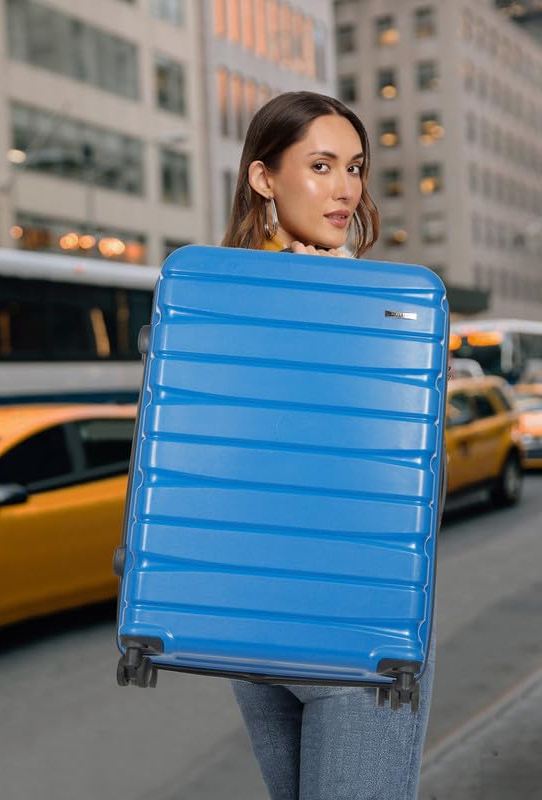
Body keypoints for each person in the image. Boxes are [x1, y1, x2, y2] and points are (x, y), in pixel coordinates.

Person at [221, 91, 437, 800]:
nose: (346, 188)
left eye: (355, 167)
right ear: (264, 178)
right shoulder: (366, 304)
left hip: (249, 619)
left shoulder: (211, 297)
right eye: (320, 165)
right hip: (355, 623)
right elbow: (398, 474)